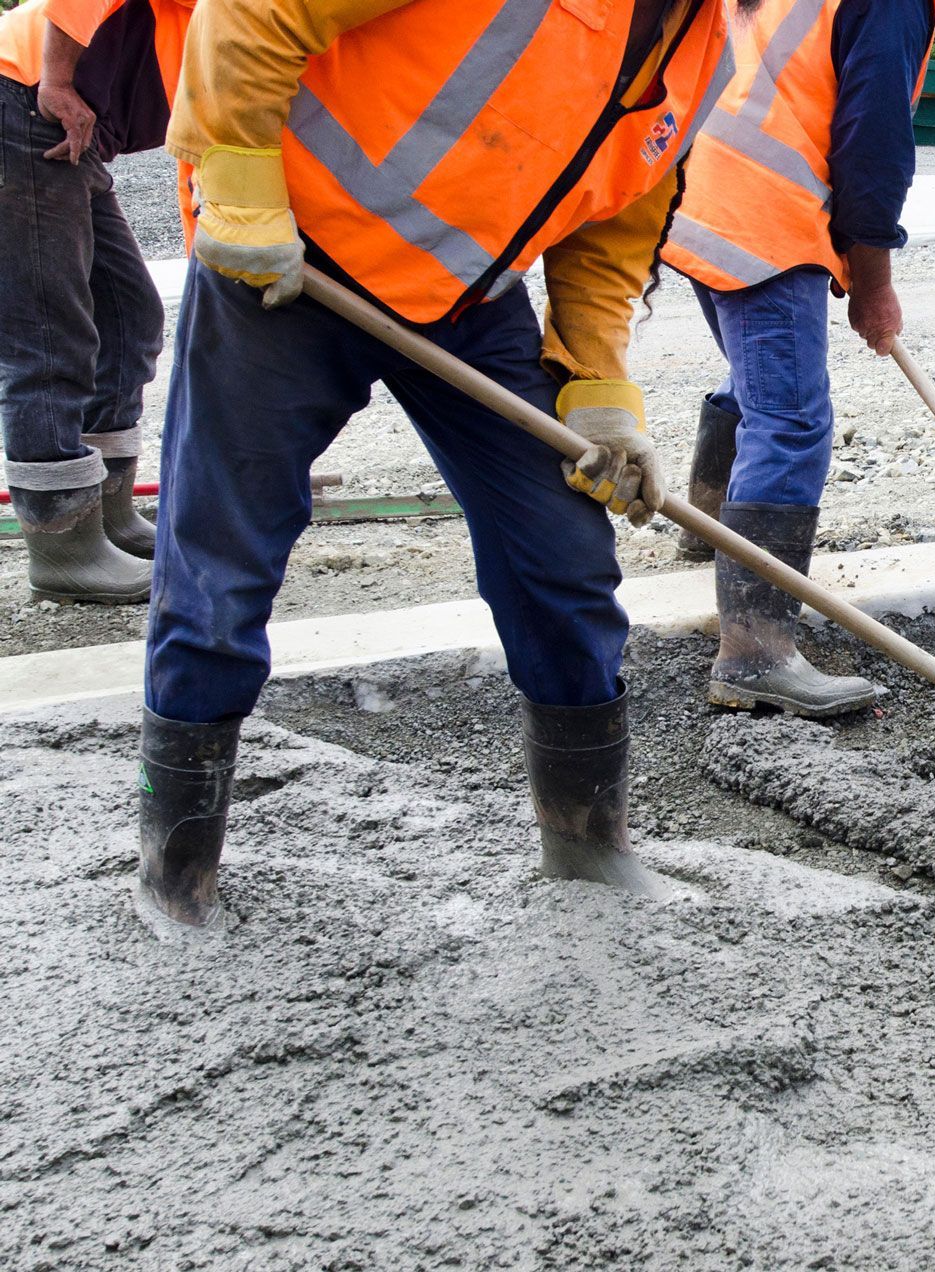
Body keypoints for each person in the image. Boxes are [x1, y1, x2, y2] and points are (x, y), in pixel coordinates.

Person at [135, 0, 732, 931]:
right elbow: (253, 12)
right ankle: (178, 875)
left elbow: (616, 223)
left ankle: (587, 843)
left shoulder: (700, 49)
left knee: (562, 558)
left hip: (466, 301)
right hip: (291, 260)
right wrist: (242, 187)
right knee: (221, 566)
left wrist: (597, 382)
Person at [661, 0, 935, 719]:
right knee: (789, 420)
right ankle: (754, 656)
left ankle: (711, 536)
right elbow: (873, 144)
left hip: (697, 185)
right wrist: (873, 286)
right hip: (760, 212)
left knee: (757, 380)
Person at [0, 0, 195, 603]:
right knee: (49, 332)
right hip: (26, 96)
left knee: (128, 315)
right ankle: (63, 544)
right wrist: (57, 79)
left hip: (70, 125)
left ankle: (109, 514)